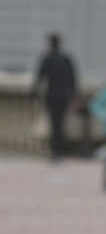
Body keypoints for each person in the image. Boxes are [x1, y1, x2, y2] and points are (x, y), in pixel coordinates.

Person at [33, 33, 78, 161]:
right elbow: (73, 80)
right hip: (63, 97)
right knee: (61, 124)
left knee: (54, 124)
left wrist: (35, 94)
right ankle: (60, 151)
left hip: (51, 96)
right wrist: (73, 97)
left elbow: (39, 78)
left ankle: (55, 151)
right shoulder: (66, 59)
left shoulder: (46, 58)